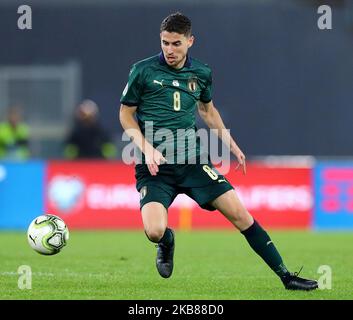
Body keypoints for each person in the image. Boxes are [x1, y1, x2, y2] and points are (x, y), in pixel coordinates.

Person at [119, 12, 318, 291]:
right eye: (165, 43)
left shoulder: (201, 73)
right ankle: (167, 241)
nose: (169, 50)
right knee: (154, 231)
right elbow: (126, 115)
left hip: (193, 162)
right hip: (154, 168)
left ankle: (287, 276)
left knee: (240, 215)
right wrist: (146, 148)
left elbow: (207, 111)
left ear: (190, 41)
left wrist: (231, 144)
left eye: (176, 44)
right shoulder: (142, 70)